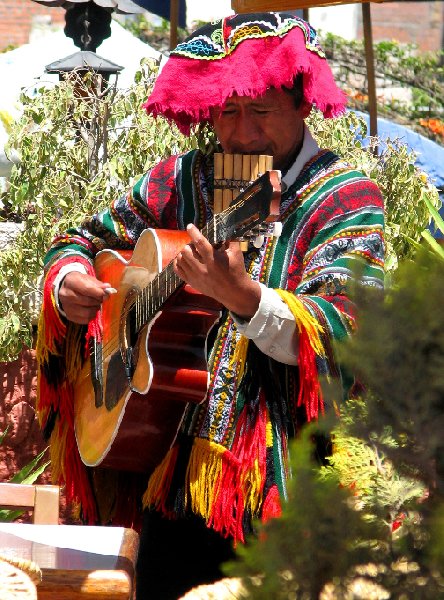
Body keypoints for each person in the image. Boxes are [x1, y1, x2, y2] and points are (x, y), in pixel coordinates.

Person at [36, 12, 385, 599]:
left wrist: (250, 301)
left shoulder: (344, 197)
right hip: (166, 475)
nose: (242, 133)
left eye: (262, 111)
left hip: (284, 490)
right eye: (228, 111)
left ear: (303, 105)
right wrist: (69, 280)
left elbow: (349, 329)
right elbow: (81, 241)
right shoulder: (179, 180)